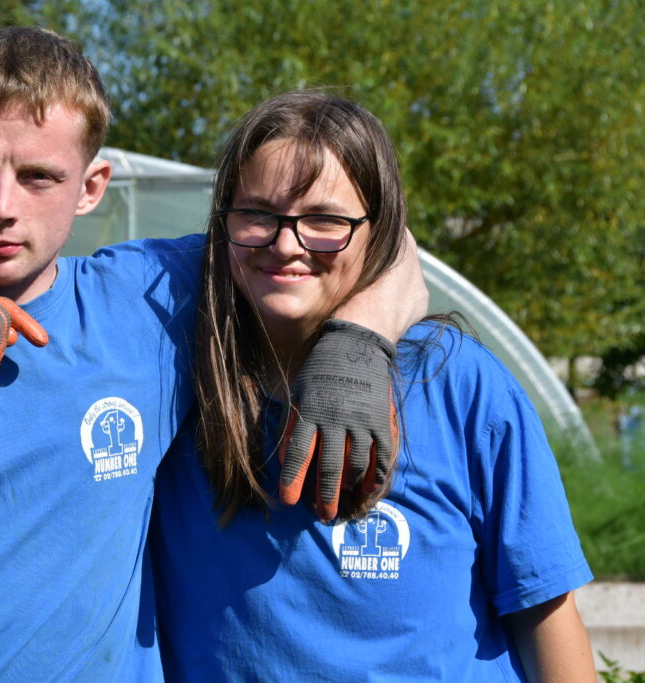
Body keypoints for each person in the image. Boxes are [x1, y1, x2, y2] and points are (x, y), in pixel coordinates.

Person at [0, 29, 426, 681]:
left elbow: (366, 238)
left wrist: (357, 342)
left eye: (38, 176)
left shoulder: (152, 300)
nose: (1, 207)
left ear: (92, 185)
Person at [148, 89, 596, 681]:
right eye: (257, 214)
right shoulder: (173, 368)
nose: (287, 243)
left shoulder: (459, 383)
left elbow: (546, 614)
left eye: (325, 220)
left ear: (378, 230)